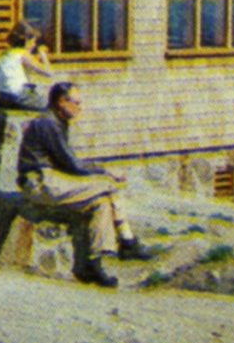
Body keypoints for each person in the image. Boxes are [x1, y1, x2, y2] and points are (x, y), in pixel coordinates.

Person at [15, 83, 156, 288]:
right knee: (108, 184)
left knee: (100, 202)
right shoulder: (47, 124)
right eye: (77, 103)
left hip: (52, 181)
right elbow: (72, 165)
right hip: (39, 183)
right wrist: (106, 171)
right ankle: (127, 241)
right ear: (61, 101)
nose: (80, 108)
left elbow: (70, 163)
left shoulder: (58, 122)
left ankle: (94, 263)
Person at [0, 20, 56, 118]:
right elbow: (49, 73)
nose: (34, 45)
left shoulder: (6, 54)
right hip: (19, 96)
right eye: (33, 41)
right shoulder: (23, 54)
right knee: (50, 105)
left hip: (4, 96)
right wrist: (43, 55)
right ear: (26, 40)